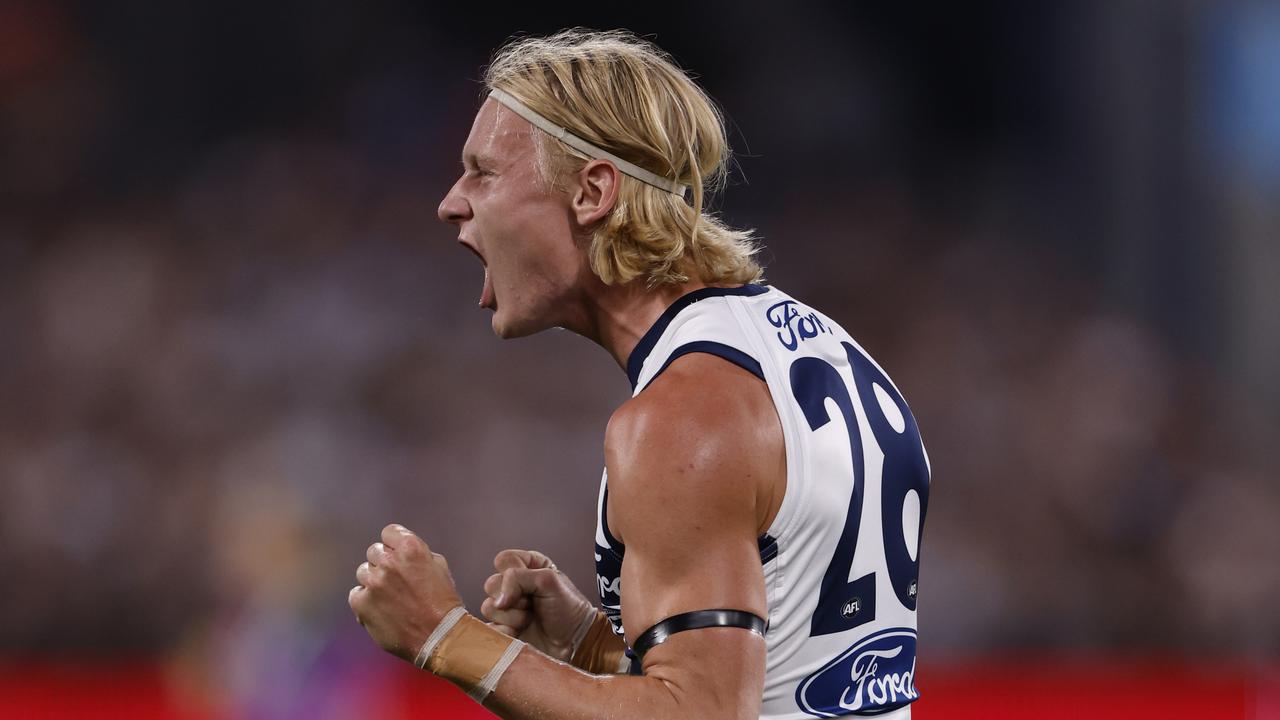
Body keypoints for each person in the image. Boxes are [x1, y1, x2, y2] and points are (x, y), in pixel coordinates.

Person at [348, 29, 930, 719]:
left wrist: (444, 637)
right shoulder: (819, 348)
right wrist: (593, 642)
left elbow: (701, 714)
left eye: (484, 172)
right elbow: (786, 666)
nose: (451, 201)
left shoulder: (681, 415)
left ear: (593, 191)